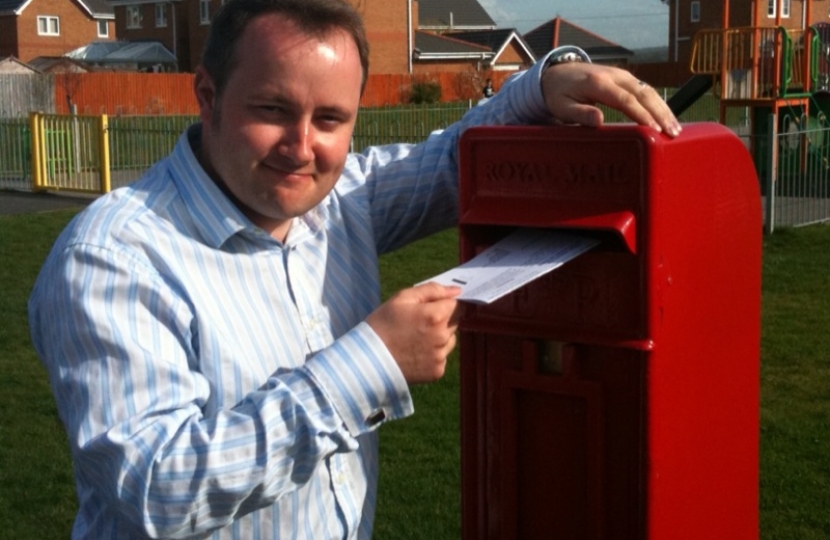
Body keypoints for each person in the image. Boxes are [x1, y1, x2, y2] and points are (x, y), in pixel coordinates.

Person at [28, 0, 681, 538]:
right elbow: (156, 492)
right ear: (208, 95)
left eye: (331, 119)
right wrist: (368, 364)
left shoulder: (337, 205)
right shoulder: (114, 256)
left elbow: (452, 158)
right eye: (273, 111)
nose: (302, 147)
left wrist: (545, 81)